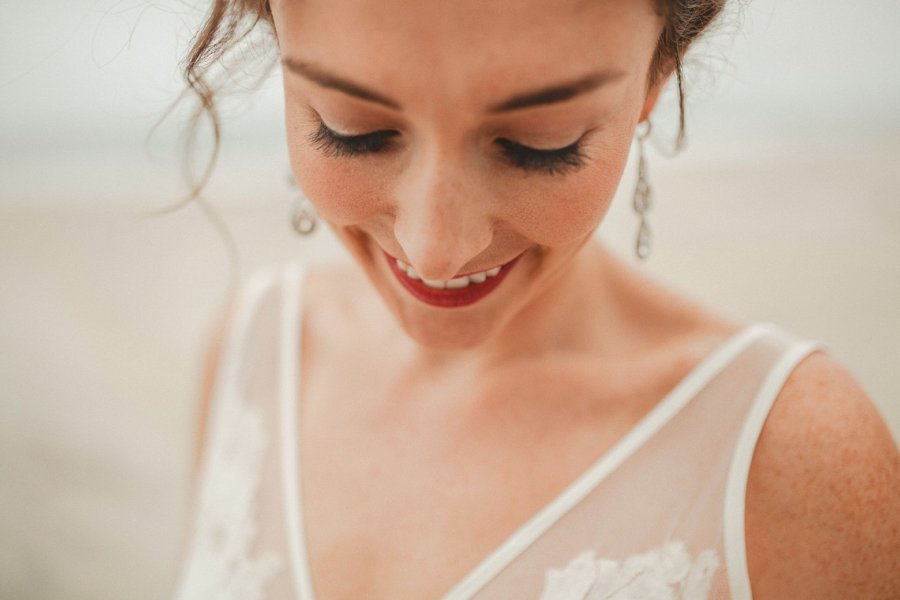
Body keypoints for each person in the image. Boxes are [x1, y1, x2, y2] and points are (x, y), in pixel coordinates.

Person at [172, 0, 900, 598]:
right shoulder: (255, 347)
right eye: (352, 131)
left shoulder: (793, 459)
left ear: (654, 78)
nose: (435, 248)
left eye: (539, 145)